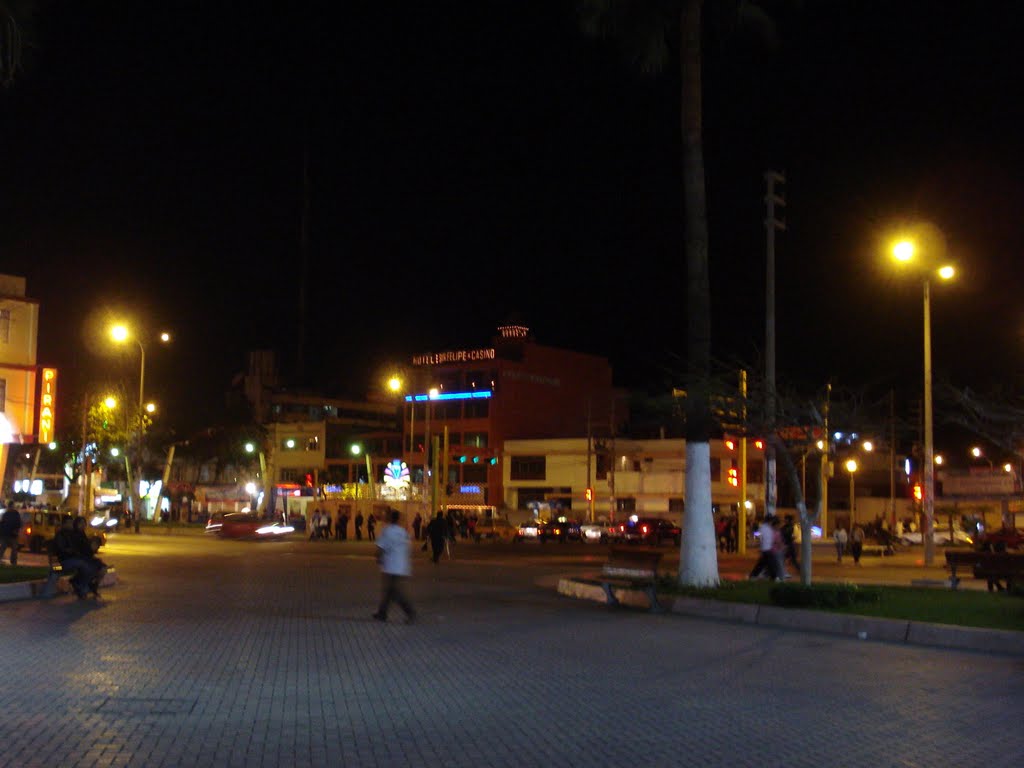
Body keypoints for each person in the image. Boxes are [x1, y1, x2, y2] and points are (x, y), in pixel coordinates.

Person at [372, 509, 415, 624]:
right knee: (389, 591)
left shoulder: (387, 531)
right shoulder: (403, 532)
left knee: (393, 592)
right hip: (402, 566)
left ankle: (410, 612)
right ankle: (382, 612)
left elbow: (380, 547)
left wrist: (378, 558)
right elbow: (408, 548)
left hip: (390, 565)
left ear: (390, 518)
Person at [52, 516, 100, 599]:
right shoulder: (61, 535)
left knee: (91, 565)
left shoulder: (71, 534)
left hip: (74, 559)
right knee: (85, 566)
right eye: (70, 523)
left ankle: (80, 585)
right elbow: (62, 550)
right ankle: (79, 586)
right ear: (65, 524)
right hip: (64, 561)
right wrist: (74, 552)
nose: (72, 525)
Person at [748, 516, 778, 580]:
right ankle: (774, 577)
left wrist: (759, 537)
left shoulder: (764, 527)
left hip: (766, 548)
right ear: (769, 521)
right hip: (767, 548)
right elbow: (758, 535)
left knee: (763, 564)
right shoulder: (765, 528)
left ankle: (753, 575)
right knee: (770, 564)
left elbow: (758, 535)